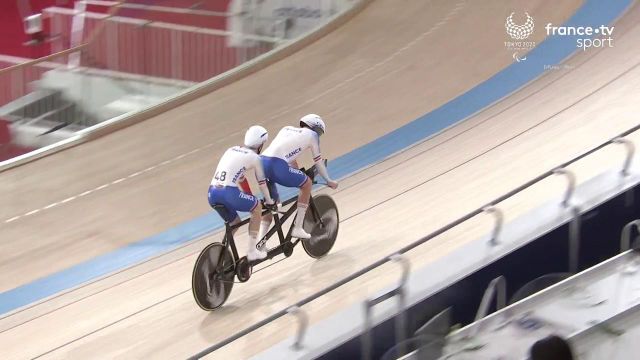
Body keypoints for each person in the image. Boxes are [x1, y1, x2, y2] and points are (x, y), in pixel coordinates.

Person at [260, 114, 338, 240]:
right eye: (319, 131)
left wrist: (298, 173)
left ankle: (260, 243)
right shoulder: (312, 136)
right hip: (276, 165)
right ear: (313, 127)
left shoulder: (286, 130)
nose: (318, 135)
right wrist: (329, 180)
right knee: (306, 184)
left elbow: (290, 159)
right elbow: (318, 162)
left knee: (273, 204)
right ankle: (298, 228)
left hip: (261, 163)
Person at [208, 125, 275, 261]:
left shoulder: (231, 150)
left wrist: (250, 197)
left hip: (212, 193)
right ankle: (251, 252)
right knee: (257, 208)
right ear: (261, 144)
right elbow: (262, 183)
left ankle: (220, 258)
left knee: (234, 223)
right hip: (228, 193)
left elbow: (241, 178)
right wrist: (269, 201)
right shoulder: (255, 158)